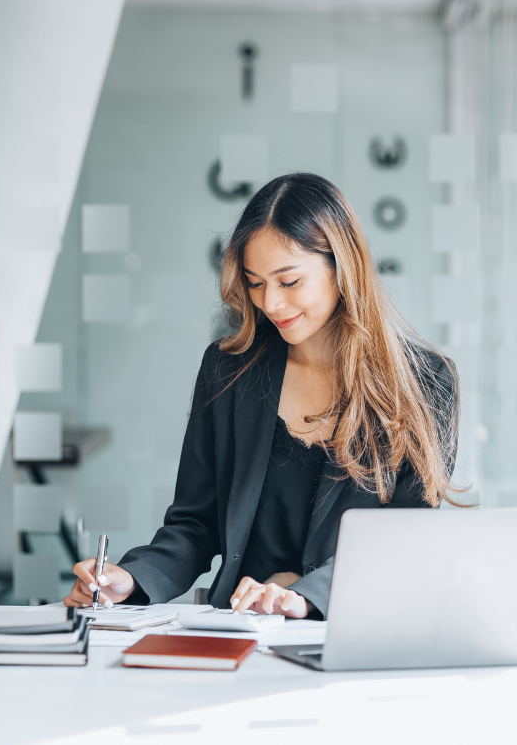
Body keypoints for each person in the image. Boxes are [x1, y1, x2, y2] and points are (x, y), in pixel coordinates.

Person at [63, 173, 461, 618]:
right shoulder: (228, 369)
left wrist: (305, 596)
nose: (270, 303)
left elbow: (406, 539)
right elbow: (195, 523)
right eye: (255, 283)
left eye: (289, 282)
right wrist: (133, 578)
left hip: (351, 628)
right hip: (242, 631)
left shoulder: (424, 381)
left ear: (342, 268)